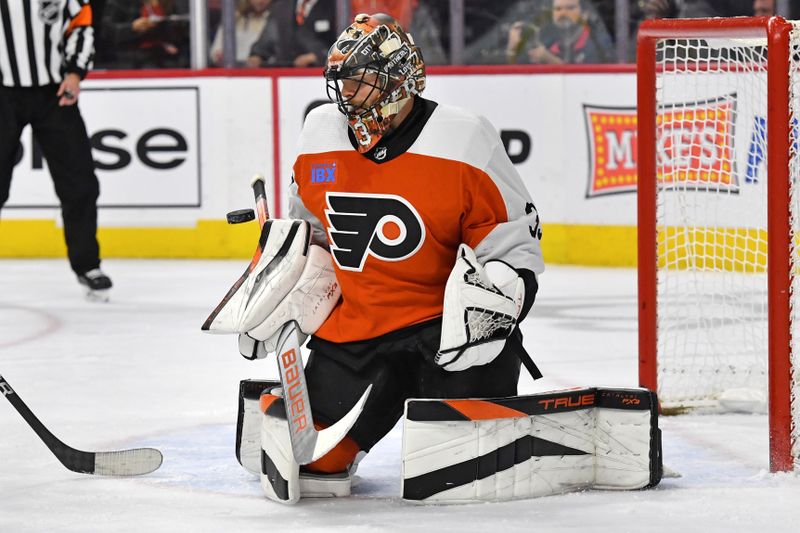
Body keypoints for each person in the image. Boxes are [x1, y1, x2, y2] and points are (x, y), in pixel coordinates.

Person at [208, 13, 545, 503]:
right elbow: (313, 234)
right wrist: (282, 276)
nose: (347, 98)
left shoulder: (465, 139)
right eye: (341, 84)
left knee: (462, 479)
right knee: (312, 468)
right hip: (356, 334)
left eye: (362, 83)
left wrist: (491, 309)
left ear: (401, 78)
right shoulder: (320, 133)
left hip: (445, 336)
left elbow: (510, 245)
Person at [0, 0, 112, 299]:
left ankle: (88, 265)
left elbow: (82, 23)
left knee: (80, 183)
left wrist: (75, 72)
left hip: (53, 93)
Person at [506, 0, 615, 64]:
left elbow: (589, 83)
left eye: (570, 8)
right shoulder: (547, 42)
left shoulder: (598, 43)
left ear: (584, 14)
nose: (563, 13)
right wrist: (512, 49)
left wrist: (550, 60)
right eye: (558, 9)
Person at [101, 0, 190, 69]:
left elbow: (179, 30)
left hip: (163, 59)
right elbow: (107, 31)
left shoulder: (167, 3)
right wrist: (132, 27)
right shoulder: (122, 2)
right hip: (128, 60)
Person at [248, 0, 336, 67]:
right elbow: (267, 39)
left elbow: (345, 44)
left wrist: (318, 56)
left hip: (319, 76)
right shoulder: (282, 6)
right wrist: (257, 55)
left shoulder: (336, 6)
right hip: (285, 76)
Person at [210, 0, 274, 66]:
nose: (260, 1)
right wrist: (219, 57)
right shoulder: (232, 18)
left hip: (263, 72)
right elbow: (215, 51)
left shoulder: (276, 21)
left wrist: (260, 60)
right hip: (232, 71)